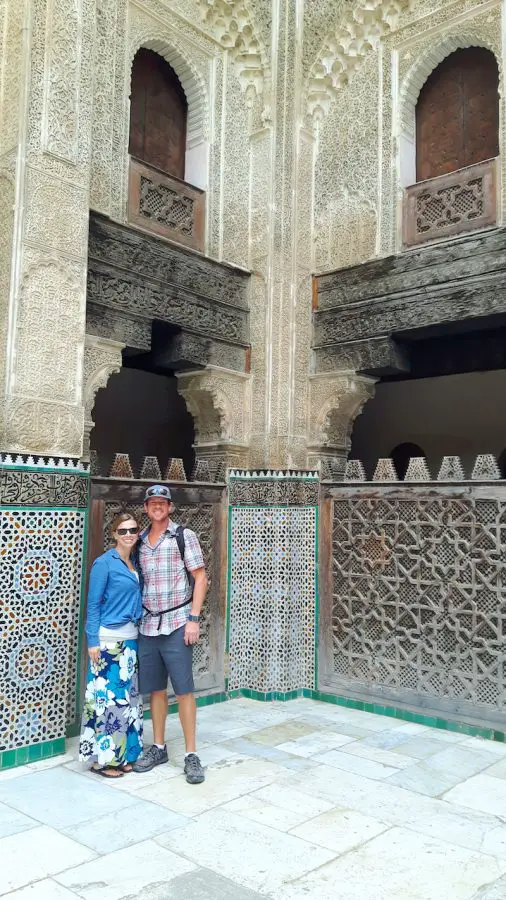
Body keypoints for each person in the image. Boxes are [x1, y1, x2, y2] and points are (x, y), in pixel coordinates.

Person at [132, 484, 208, 784]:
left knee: (185, 689)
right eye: (153, 503)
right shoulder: (138, 541)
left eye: (162, 503)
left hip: (178, 622)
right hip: (148, 626)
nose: (158, 507)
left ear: (170, 507)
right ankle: (159, 747)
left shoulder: (182, 536)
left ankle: (191, 754)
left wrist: (194, 619)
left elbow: (200, 578)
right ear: (147, 508)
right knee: (156, 690)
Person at [79, 512, 143, 777]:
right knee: (108, 703)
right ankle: (102, 761)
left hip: (130, 641)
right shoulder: (104, 563)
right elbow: (93, 604)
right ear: (114, 534)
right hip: (108, 641)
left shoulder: (134, 563)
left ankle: (124, 755)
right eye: (123, 531)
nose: (129, 535)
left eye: (133, 530)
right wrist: (92, 640)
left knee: (127, 701)